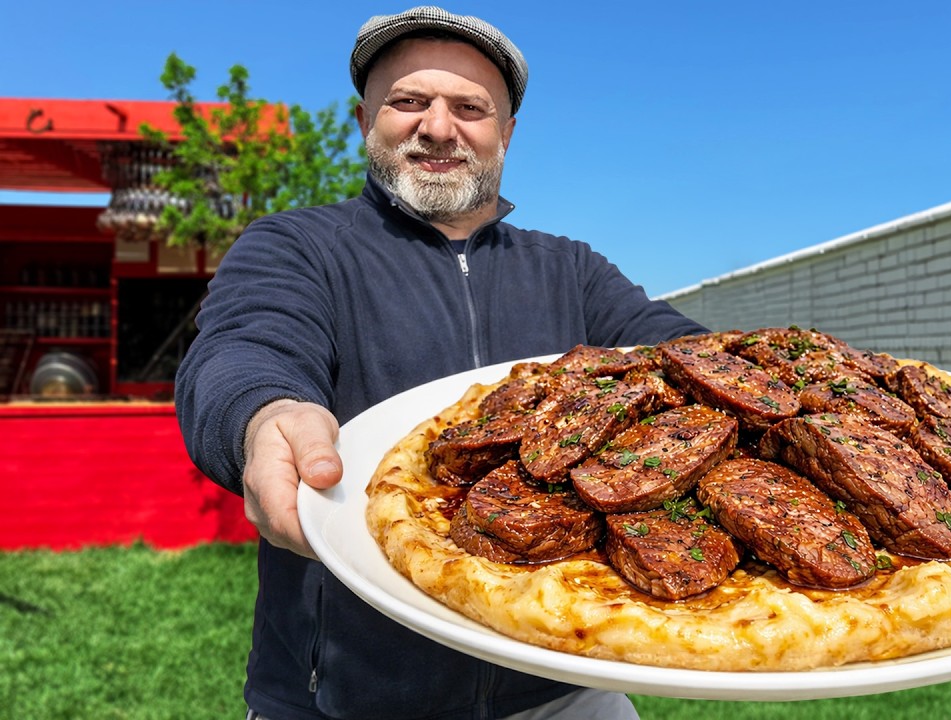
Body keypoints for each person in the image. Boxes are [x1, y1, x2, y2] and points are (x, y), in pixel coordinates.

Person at [175, 6, 706, 719]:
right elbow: (245, 346)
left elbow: (684, 354)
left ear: (506, 134)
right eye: (409, 101)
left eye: (469, 107)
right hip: (344, 698)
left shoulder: (573, 269)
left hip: (568, 677)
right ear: (365, 117)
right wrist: (264, 412)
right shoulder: (295, 246)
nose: (436, 126)